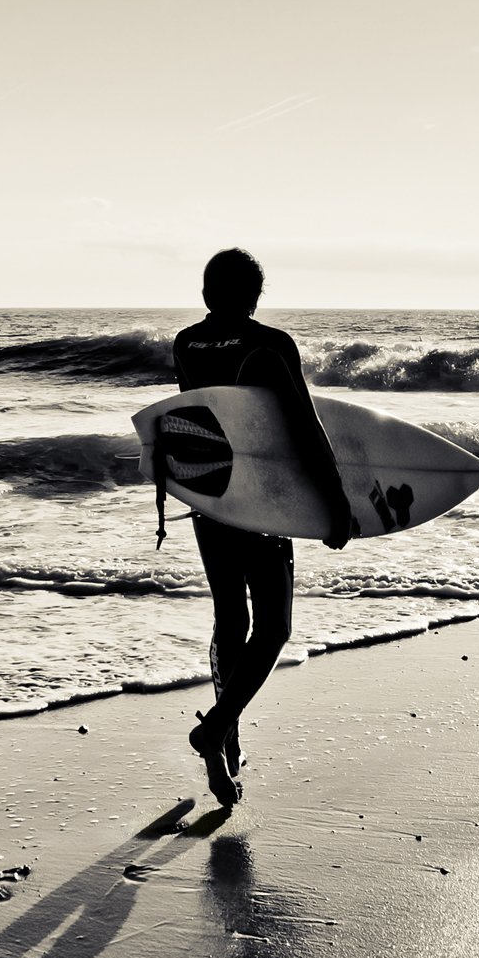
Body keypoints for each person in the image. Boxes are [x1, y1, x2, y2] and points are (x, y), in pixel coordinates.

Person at [172, 248, 352, 806]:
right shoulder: (269, 345)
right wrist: (335, 502)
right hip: (263, 501)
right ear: (255, 296)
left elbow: (196, 424)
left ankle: (226, 742)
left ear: (206, 294)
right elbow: (304, 427)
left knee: (230, 618)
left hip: (210, 497)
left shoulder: (185, 344)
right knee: (273, 628)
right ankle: (215, 730)